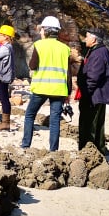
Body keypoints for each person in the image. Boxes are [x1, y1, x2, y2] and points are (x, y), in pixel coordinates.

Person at [21, 15, 72, 150]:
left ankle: (26, 145)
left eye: (42, 29)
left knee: (30, 115)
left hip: (41, 88)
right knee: (55, 120)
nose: (41, 32)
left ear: (46, 31)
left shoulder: (39, 45)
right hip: (59, 90)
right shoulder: (65, 48)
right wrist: (68, 92)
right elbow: (69, 73)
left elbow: (32, 66)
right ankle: (53, 150)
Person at [75, 28, 109, 152]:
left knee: (88, 124)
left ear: (93, 39)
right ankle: (99, 148)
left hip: (94, 95)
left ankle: (87, 151)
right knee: (97, 123)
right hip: (98, 94)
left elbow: (93, 76)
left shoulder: (98, 53)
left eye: (87, 37)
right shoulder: (99, 51)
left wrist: (86, 93)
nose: (84, 39)